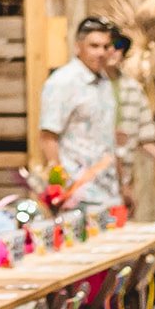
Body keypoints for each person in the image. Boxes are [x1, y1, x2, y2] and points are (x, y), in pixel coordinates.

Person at [39, 15, 120, 209]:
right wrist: (60, 188)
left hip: (108, 191)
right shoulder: (63, 82)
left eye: (106, 47)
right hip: (78, 194)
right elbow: (48, 137)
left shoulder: (105, 81)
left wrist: (124, 184)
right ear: (78, 47)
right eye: (94, 46)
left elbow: (108, 139)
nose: (101, 53)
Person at [104, 28, 155, 215]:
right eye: (109, 45)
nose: (114, 50)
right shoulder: (86, 87)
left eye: (119, 46)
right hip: (92, 179)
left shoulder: (133, 88)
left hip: (124, 176)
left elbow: (145, 137)